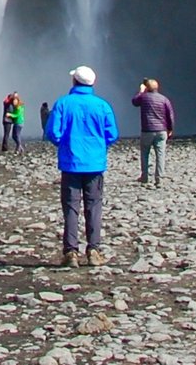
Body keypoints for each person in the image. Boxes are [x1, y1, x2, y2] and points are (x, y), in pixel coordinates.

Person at [44, 66, 118, 267]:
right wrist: (99, 147)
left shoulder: (63, 104)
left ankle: (70, 253)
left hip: (70, 164)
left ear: (74, 82)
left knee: (70, 208)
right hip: (95, 165)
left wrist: (64, 143)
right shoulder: (102, 105)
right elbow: (112, 134)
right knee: (94, 207)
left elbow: (52, 132)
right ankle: (94, 250)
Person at [131, 78, 175, 186]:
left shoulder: (144, 97)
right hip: (161, 130)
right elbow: (170, 115)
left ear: (147, 88)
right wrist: (170, 129)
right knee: (160, 154)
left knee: (145, 153)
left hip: (147, 130)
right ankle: (159, 178)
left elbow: (134, 102)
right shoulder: (164, 99)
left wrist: (141, 91)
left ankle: (145, 177)